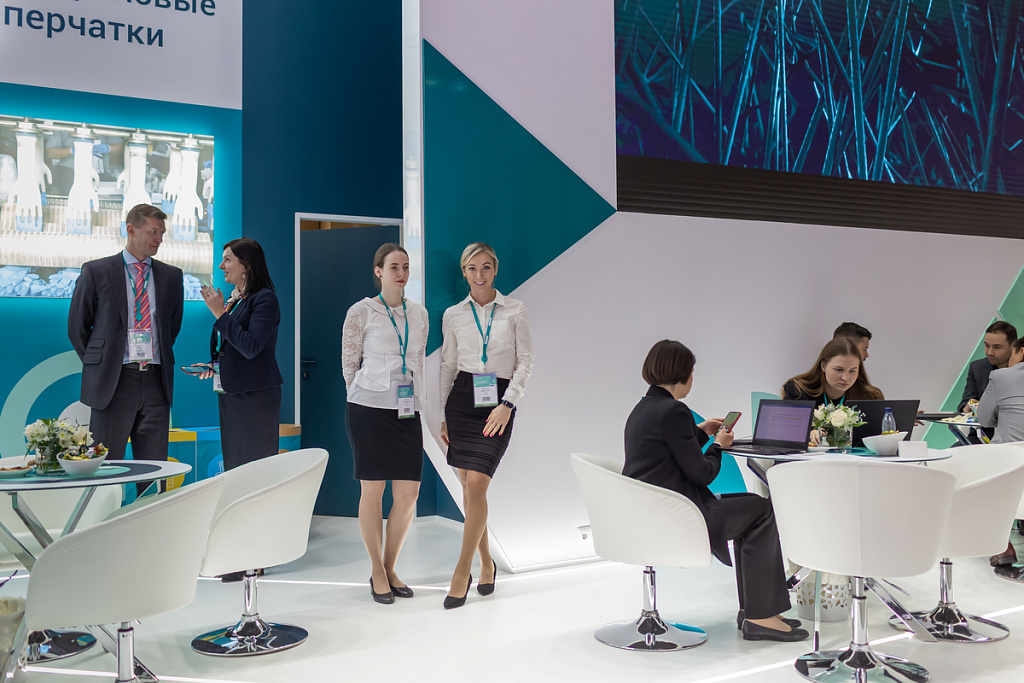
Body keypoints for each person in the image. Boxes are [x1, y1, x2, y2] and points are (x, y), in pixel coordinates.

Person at [623, 340, 808, 642]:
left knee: (753, 506)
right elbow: (702, 474)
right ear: (684, 373)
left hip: (652, 512)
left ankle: (756, 611)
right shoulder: (674, 411)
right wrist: (718, 445)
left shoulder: (644, 408)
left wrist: (700, 432)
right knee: (762, 510)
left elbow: (669, 450)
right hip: (680, 517)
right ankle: (759, 616)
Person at [439, 243, 533, 609]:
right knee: (468, 488)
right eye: (472, 268)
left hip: (499, 399)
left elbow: (525, 360)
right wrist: (443, 414)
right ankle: (486, 563)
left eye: (486, 268)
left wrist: (508, 404)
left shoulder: (515, 309)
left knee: (477, 484)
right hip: (462, 399)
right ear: (464, 272)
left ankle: (461, 571)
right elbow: (448, 365)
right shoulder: (453, 314)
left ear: (495, 270)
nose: (479, 275)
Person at [341, 244, 429, 605]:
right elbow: (349, 364)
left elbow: (419, 360)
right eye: (394, 267)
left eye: (405, 266)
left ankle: (390, 568)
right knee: (373, 491)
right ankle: (377, 570)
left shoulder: (419, 314)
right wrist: (364, 394)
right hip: (368, 409)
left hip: (407, 409)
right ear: (378, 271)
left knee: (409, 494)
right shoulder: (361, 311)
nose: (401, 273)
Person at [68, 203, 183, 473]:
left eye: (162, 233)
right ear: (131, 230)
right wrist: (102, 364)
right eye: (153, 231)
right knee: (105, 466)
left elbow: (171, 328)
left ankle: (151, 502)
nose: (159, 238)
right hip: (114, 382)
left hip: (156, 381)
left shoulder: (171, 276)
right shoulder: (96, 271)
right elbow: (77, 327)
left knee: (154, 468)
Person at [193, 237, 283, 474]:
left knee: (254, 469)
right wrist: (215, 365)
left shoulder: (264, 298)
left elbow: (251, 347)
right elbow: (231, 345)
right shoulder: (237, 299)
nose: (221, 266)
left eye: (227, 260)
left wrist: (219, 313)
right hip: (232, 394)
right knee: (235, 467)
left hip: (255, 396)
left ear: (246, 266)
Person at [977, 337, 1024, 568]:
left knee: (978, 473)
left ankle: (1003, 547)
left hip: (1012, 469)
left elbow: (985, 419)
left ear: (1021, 352)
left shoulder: (1001, 376)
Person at [782, 337, 884, 410]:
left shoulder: (870, 397)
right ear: (823, 366)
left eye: (852, 371)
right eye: (838, 369)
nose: (845, 378)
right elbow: (788, 430)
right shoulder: (798, 391)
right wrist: (810, 432)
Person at [958, 321, 1018, 412]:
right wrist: (968, 407)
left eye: (996, 347)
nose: (989, 352)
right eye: (987, 345)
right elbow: (964, 404)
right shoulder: (977, 368)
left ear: (1013, 346)